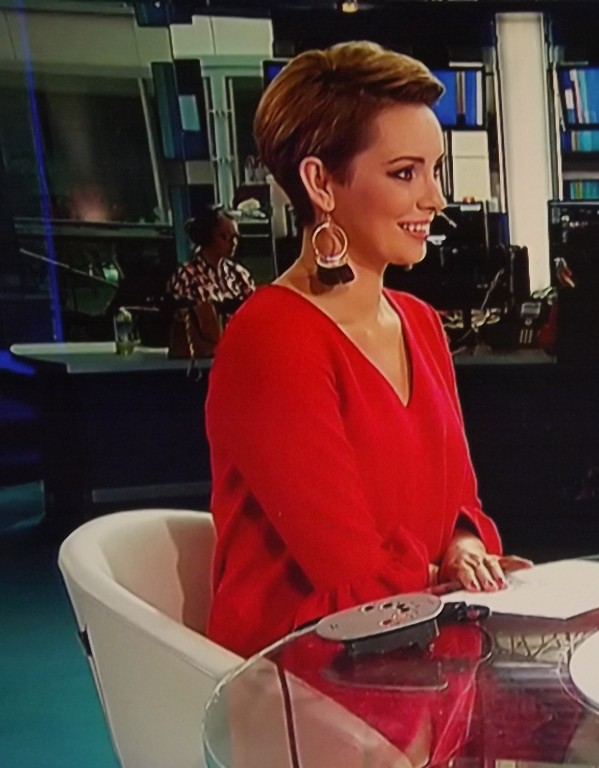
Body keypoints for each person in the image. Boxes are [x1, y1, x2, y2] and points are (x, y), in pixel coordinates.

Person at [205, 41, 530, 658]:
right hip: (306, 666)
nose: (435, 199)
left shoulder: (421, 323)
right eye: (405, 173)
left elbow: (458, 507)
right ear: (320, 182)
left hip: (417, 638)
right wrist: (444, 578)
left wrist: (464, 547)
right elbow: (354, 585)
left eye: (434, 171)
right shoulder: (271, 339)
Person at [167, 205, 255, 311]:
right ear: (207, 235)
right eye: (225, 236)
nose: (233, 242)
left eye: (235, 237)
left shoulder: (239, 274)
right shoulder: (186, 276)